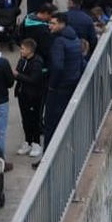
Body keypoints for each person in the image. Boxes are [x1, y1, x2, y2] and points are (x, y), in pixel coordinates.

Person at [43, 11, 85, 148]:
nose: (50, 26)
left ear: (62, 24)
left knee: (51, 122)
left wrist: (52, 86)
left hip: (59, 87)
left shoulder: (59, 41)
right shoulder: (75, 39)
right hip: (72, 83)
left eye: (53, 23)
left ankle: (48, 154)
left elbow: (58, 66)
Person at [13, 37, 48, 158]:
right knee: (25, 119)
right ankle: (27, 141)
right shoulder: (22, 60)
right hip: (23, 95)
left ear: (29, 50)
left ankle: (36, 143)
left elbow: (34, 79)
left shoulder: (37, 62)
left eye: (22, 48)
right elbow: (18, 70)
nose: (21, 50)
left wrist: (18, 75)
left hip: (34, 96)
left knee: (34, 119)